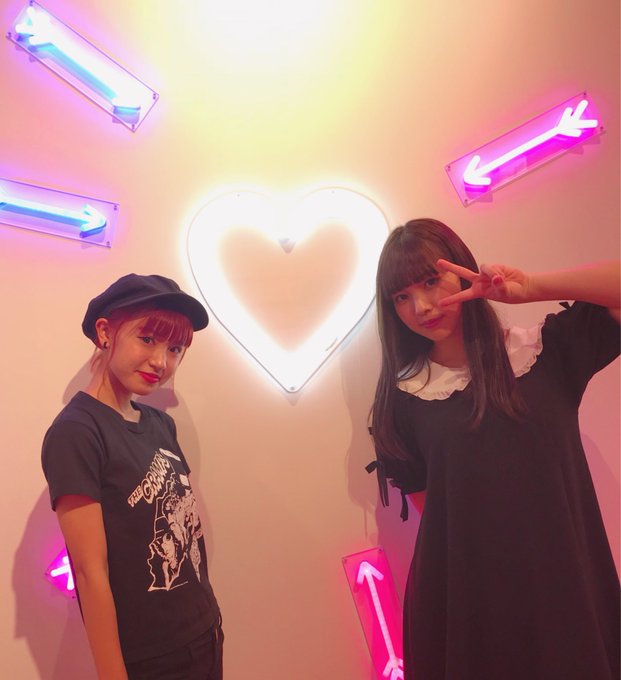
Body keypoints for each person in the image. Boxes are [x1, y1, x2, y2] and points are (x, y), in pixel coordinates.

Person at [368, 219, 620, 680]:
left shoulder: (546, 352)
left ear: (462, 270)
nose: (421, 307)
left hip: (564, 584)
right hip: (468, 604)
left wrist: (531, 288)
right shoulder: (403, 400)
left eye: (430, 281)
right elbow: (439, 514)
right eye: (401, 297)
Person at [42, 274, 222, 680]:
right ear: (105, 333)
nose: (161, 361)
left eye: (174, 348)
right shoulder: (77, 432)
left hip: (205, 631)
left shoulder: (160, 424)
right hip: (152, 659)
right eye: (147, 339)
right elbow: (89, 573)